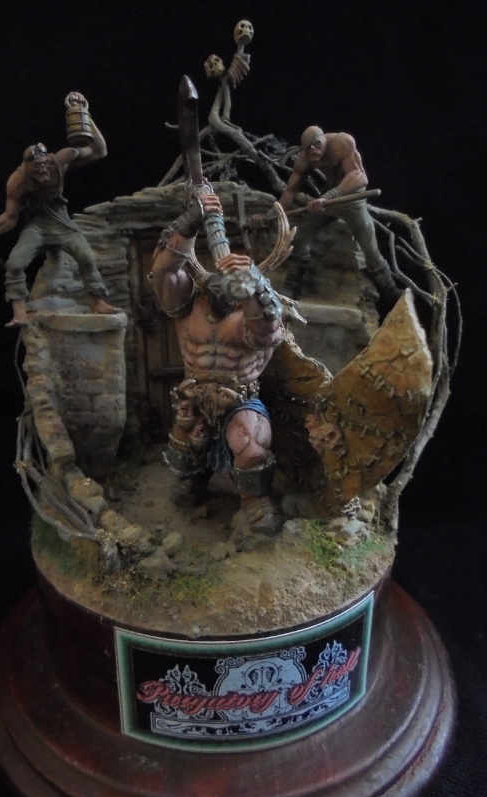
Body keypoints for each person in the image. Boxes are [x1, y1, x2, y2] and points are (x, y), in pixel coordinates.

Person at [151, 189, 288, 539]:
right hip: (195, 393)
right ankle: (194, 482)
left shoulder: (251, 309)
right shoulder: (188, 305)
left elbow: (267, 331)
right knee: (184, 441)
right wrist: (192, 218)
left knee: (247, 439)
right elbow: (164, 272)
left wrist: (253, 282)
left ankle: (255, 499)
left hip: (238, 398)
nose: (220, 293)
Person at [0, 92, 117, 326]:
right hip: (36, 226)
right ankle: (20, 312)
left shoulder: (62, 159)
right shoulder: (17, 182)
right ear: (28, 167)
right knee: (15, 264)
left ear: (49, 159)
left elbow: (100, 151)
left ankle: (97, 301)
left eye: (45, 165)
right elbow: (9, 218)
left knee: (86, 257)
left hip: (62, 222)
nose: (44, 171)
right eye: (37, 168)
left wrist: (85, 114)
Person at [252, 126, 401, 304]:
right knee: (300, 238)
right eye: (308, 148)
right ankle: (292, 286)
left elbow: (359, 176)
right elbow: (290, 192)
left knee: (370, 249)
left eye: (317, 145)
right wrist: (269, 215)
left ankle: (390, 291)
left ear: (323, 139)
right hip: (328, 202)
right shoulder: (305, 159)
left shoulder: (342, 143)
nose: (314, 150)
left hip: (352, 200)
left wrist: (328, 196)